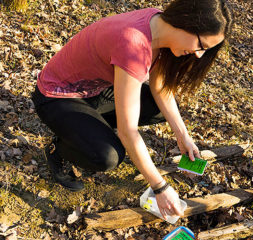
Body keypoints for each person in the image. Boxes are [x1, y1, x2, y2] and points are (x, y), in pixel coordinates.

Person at [31, 0, 233, 219]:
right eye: (202, 46)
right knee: (107, 156)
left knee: (158, 109)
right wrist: (160, 188)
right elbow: (128, 132)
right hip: (56, 95)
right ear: (187, 22)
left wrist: (182, 135)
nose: (199, 55)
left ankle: (87, 131)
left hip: (93, 91)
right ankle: (58, 148)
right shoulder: (134, 43)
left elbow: (160, 87)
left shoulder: (158, 26)